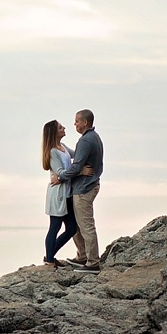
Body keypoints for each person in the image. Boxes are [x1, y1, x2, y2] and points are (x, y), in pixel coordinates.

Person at [58, 109, 103, 272]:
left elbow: (76, 165)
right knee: (77, 224)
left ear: (85, 123)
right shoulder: (93, 137)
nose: (74, 124)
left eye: (77, 121)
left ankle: (92, 263)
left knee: (86, 225)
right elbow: (78, 159)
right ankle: (82, 256)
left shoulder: (85, 141)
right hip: (87, 185)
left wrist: (61, 177)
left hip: (84, 187)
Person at [41, 119, 83, 266]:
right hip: (58, 195)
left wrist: (87, 142)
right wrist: (80, 172)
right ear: (54, 132)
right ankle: (50, 260)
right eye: (60, 127)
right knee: (55, 227)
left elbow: (77, 154)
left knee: (71, 229)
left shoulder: (63, 147)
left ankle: (49, 256)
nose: (64, 128)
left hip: (67, 194)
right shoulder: (53, 151)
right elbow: (60, 173)